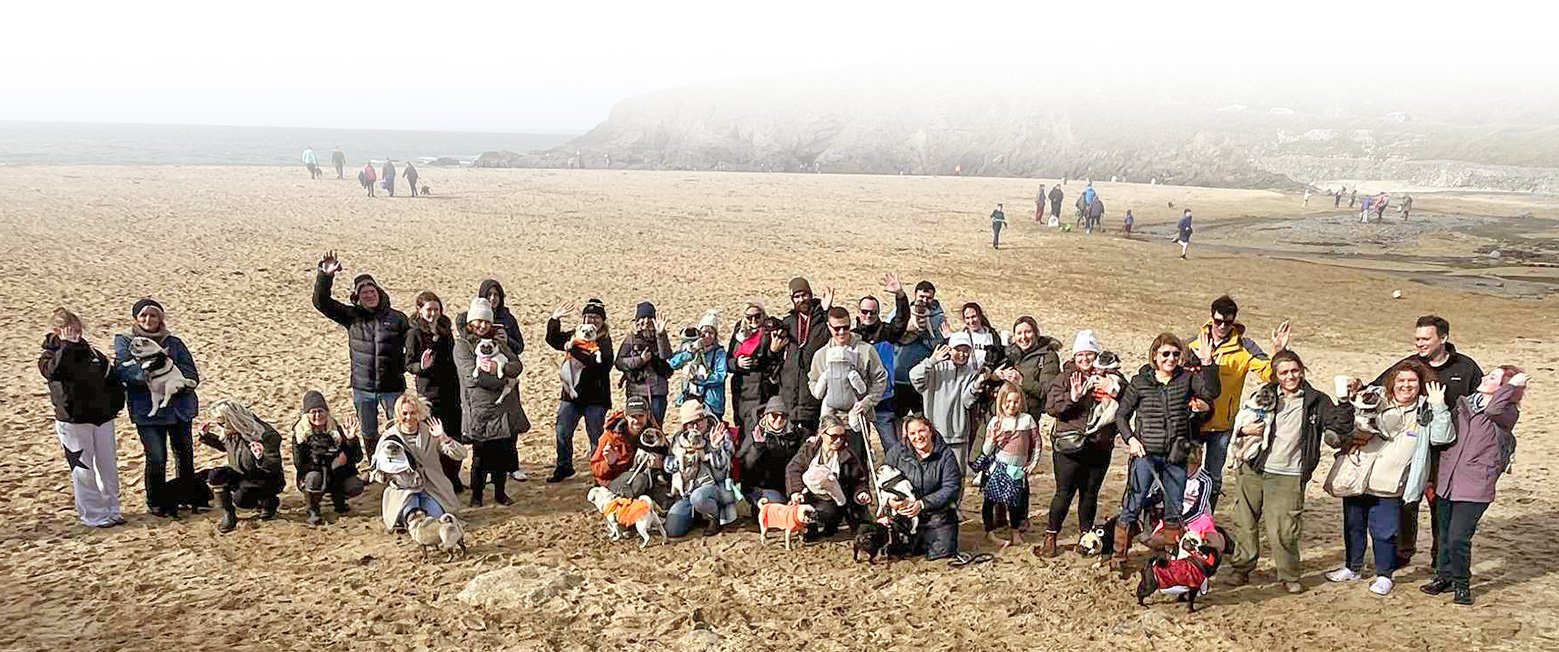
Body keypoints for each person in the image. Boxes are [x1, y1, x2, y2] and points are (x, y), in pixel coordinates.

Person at [1224, 350, 1354, 592]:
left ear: (1302, 371)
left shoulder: (1317, 401)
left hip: (1289, 474)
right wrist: (1243, 431)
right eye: (1284, 372)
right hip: (1253, 467)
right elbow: (1238, 423)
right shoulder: (1264, 394)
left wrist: (1345, 402)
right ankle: (1241, 568)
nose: (1290, 376)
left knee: (1285, 529)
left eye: (1294, 371)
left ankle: (1289, 575)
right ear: (1276, 375)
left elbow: (1338, 426)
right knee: (1244, 522)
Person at [1325, 360, 1451, 596]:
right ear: (1392, 382)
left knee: (1385, 531)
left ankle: (1384, 575)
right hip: (1358, 474)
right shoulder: (1375, 399)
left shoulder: (1426, 410)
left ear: (1420, 384)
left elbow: (1442, 438)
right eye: (1401, 380)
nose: (1406, 386)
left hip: (1391, 484)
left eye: (1412, 381)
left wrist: (1440, 407)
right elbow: (1346, 422)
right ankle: (1352, 567)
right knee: (1353, 525)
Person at [1372, 315, 1482, 572]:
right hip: (1411, 447)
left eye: (1425, 339)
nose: (1419, 343)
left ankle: (1439, 557)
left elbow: (1481, 406)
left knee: (1440, 505)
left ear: (1443, 338)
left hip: (1448, 450)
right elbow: (1378, 387)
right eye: (1417, 338)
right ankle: (1403, 551)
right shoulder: (1409, 365)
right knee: (1405, 500)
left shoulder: (1466, 368)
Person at [1111, 332, 1220, 571]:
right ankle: (1118, 556)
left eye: (1175, 354)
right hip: (1145, 454)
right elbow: (1121, 416)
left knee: (1174, 507)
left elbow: (1212, 394)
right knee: (1133, 503)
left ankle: (1171, 556)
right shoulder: (1140, 383)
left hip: (1175, 455)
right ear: (1155, 356)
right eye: (1165, 354)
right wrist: (1131, 440)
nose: (1170, 358)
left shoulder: (1188, 379)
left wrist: (1208, 364)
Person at [1423, 366, 1527, 605]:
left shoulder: (1506, 412)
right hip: (1448, 480)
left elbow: (1492, 409)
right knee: (1444, 534)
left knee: (1459, 537)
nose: (1483, 378)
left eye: (1492, 378)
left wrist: (1512, 387)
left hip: (1475, 484)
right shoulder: (1464, 404)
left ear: (1504, 389)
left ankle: (1462, 584)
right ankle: (1443, 576)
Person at [1188, 295, 1291, 508]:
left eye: (1228, 322)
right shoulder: (1194, 344)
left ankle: (1207, 518)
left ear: (1234, 320)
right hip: (1193, 422)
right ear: (1211, 317)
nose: (1223, 326)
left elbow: (1269, 375)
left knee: (1213, 478)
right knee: (1188, 475)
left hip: (1223, 425)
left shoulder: (1245, 347)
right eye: (1218, 321)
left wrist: (1279, 351)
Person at [312, 250, 411, 454]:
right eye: (364, 293)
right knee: (368, 431)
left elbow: (413, 345)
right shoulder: (352, 317)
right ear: (358, 298)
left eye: (372, 291)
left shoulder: (397, 318)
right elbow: (321, 302)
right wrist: (325, 275)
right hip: (363, 387)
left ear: (379, 293)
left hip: (392, 386)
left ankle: (400, 464)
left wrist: (403, 366)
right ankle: (375, 464)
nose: (369, 295)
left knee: (400, 428)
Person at [1038, 330, 1124, 557]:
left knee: (1090, 494)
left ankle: (1085, 535)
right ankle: (1051, 535)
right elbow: (1051, 408)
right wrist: (1073, 398)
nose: (1085, 360)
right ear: (1074, 358)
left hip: (1099, 447)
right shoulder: (1065, 377)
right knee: (1064, 493)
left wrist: (1113, 389)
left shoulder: (1110, 376)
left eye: (1089, 354)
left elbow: (1125, 402)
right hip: (1069, 446)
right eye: (1080, 356)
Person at [114, 298, 201, 518]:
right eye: (143, 315)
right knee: (157, 456)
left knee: (184, 454)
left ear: (160, 318)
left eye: (153, 315)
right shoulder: (126, 342)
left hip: (179, 406)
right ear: (136, 318)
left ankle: (185, 495)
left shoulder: (174, 342)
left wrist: (178, 383)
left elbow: (190, 372)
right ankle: (156, 500)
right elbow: (126, 373)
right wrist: (158, 375)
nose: (148, 319)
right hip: (148, 410)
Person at [40, 308, 126, 528]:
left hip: (102, 418)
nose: (75, 334)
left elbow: (111, 379)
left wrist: (114, 405)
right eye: (69, 330)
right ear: (57, 331)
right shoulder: (50, 356)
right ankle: (93, 514)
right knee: (83, 469)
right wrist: (67, 346)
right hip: (73, 421)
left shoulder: (93, 354)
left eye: (77, 330)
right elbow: (55, 372)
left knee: (107, 466)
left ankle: (112, 509)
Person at [453, 297, 528, 506]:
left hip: (503, 407)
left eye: (486, 321)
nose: (482, 325)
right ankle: (476, 496)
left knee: (503, 454)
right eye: (478, 321)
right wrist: (503, 377)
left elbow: (517, 365)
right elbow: (471, 378)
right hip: (479, 408)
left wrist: (502, 370)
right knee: (479, 457)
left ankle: (500, 493)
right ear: (470, 322)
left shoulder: (499, 341)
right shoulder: (462, 346)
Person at [371, 393, 466, 531]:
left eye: (413, 413)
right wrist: (387, 475)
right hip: (404, 489)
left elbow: (460, 454)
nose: (409, 417)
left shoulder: (430, 431)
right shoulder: (389, 436)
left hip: (432, 487)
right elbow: (377, 469)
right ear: (398, 413)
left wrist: (443, 438)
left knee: (434, 520)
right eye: (404, 413)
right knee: (412, 516)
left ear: (419, 413)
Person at [545, 299, 615, 483]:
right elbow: (552, 340)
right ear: (583, 319)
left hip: (596, 398)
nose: (592, 320)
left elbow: (601, 365)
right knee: (562, 431)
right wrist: (554, 319)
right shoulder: (576, 334)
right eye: (588, 316)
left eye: (596, 317)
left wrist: (573, 349)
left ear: (602, 321)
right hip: (571, 396)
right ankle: (564, 466)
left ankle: (598, 471)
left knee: (595, 436)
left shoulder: (604, 341)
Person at [405, 291, 465, 492]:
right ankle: (439, 478)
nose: (433, 313)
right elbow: (409, 364)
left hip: (452, 389)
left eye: (436, 309)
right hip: (429, 392)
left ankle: (453, 476)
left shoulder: (445, 329)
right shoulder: (414, 333)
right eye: (429, 309)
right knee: (434, 437)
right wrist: (421, 366)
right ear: (419, 310)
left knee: (454, 435)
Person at [197, 399, 285, 533]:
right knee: (216, 475)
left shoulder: (266, 435)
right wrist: (206, 436)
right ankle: (228, 514)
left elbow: (273, 466)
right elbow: (225, 447)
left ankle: (269, 500)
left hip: (263, 477)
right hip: (240, 472)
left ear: (233, 419)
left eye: (222, 422)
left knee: (241, 499)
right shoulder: (231, 432)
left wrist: (260, 458)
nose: (221, 427)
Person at [885, 416, 963, 560]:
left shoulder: (946, 455)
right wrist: (891, 502)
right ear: (907, 435)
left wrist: (923, 504)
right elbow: (884, 482)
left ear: (930, 431)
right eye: (912, 433)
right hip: (904, 513)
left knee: (942, 553)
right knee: (897, 552)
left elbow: (951, 488)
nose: (918, 437)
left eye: (921, 431)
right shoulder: (896, 453)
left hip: (937, 512)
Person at [808, 306, 888, 445]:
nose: (841, 332)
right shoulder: (821, 354)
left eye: (845, 327)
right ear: (829, 326)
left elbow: (880, 379)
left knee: (857, 463)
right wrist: (818, 392)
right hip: (830, 423)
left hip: (857, 421)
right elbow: (813, 380)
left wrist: (867, 402)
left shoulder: (866, 350)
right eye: (836, 328)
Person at [973, 383, 1040, 548]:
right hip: (998, 467)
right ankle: (990, 532)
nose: (1011, 405)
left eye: (1015, 402)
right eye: (1008, 402)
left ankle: (1015, 532)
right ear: (1000, 402)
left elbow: (1037, 443)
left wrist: (1033, 463)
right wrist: (993, 438)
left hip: (1017, 468)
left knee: (1014, 502)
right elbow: (986, 450)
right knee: (990, 501)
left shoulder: (1027, 420)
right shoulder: (996, 422)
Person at [785, 415, 871, 540]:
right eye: (834, 436)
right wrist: (796, 491)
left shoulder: (848, 455)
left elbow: (859, 479)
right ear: (822, 434)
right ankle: (810, 525)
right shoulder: (809, 449)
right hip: (809, 495)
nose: (838, 440)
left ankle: (829, 523)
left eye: (842, 436)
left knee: (829, 512)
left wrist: (861, 492)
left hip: (835, 500)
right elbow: (793, 469)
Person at [852, 274, 911, 449]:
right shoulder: (853, 336)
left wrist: (900, 295)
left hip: (883, 398)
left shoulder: (887, 332)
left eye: (873, 312)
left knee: (892, 445)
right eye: (864, 311)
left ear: (878, 313)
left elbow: (901, 320)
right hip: (858, 399)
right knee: (859, 446)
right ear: (858, 312)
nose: (868, 315)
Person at [909, 332, 983, 471]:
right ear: (950, 349)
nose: (962, 354)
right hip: (935, 437)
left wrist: (978, 383)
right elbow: (914, 376)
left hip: (959, 438)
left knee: (957, 478)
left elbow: (968, 401)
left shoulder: (971, 373)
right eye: (958, 349)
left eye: (966, 350)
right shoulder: (935, 369)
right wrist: (931, 361)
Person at [289, 390, 366, 525]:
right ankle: (312, 509)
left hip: (338, 474)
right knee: (314, 478)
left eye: (321, 411)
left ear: (327, 412)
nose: (318, 415)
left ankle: (339, 500)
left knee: (355, 485)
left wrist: (351, 440)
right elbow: (299, 463)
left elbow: (358, 457)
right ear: (307, 414)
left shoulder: (336, 429)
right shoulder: (300, 434)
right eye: (313, 412)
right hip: (314, 473)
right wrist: (323, 461)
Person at [664, 402, 739, 537]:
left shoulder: (719, 433)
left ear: (705, 417)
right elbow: (668, 464)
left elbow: (722, 470)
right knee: (673, 530)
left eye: (699, 421)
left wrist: (715, 447)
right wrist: (680, 460)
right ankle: (696, 515)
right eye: (690, 423)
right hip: (687, 489)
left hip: (714, 487)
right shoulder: (679, 438)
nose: (695, 426)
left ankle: (714, 517)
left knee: (698, 497)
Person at [591, 396, 671, 505]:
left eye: (641, 416)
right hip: (617, 481)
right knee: (640, 480)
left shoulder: (655, 434)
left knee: (667, 502)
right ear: (626, 416)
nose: (637, 421)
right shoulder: (611, 437)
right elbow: (596, 470)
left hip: (650, 480)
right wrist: (609, 463)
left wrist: (660, 464)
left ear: (647, 415)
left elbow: (669, 458)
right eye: (633, 416)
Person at [779, 277, 832, 434]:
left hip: (814, 392)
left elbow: (835, 333)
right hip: (790, 395)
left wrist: (826, 311)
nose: (801, 299)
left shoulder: (822, 319)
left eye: (804, 295)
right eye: (797, 296)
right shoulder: (788, 322)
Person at [891, 284, 945, 422]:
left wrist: (924, 335)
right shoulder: (901, 311)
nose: (925, 301)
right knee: (896, 420)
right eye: (922, 296)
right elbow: (887, 334)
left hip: (922, 380)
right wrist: (905, 329)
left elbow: (939, 345)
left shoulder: (939, 318)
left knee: (923, 420)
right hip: (899, 378)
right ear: (915, 295)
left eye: (929, 298)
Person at [738, 397, 804, 506]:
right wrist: (758, 447)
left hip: (785, 486)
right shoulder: (756, 434)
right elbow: (746, 466)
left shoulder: (795, 435)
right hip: (760, 487)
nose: (778, 420)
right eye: (774, 415)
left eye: (782, 416)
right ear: (766, 415)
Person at [618, 301, 674, 424]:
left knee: (655, 425)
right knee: (635, 426)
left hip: (657, 392)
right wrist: (640, 360)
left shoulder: (661, 336)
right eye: (642, 319)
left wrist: (660, 334)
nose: (645, 323)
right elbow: (619, 362)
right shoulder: (631, 339)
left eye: (649, 319)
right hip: (635, 391)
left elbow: (666, 356)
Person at [726, 301, 776, 439]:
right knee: (740, 428)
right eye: (749, 317)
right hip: (740, 390)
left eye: (757, 316)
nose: (753, 320)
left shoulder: (768, 332)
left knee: (754, 429)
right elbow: (728, 361)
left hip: (759, 389)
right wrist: (737, 363)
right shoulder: (739, 332)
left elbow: (772, 360)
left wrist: (757, 362)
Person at [669, 310, 730, 419]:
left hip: (711, 402)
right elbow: (673, 363)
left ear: (716, 336)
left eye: (711, 333)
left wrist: (700, 380)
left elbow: (721, 376)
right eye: (704, 332)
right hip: (690, 398)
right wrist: (691, 351)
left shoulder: (719, 353)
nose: (707, 336)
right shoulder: (690, 348)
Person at [1003, 316, 1061, 425]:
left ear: (1036, 333)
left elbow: (1048, 390)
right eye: (1019, 333)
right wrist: (997, 375)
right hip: (1001, 413)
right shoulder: (1008, 353)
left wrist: (1021, 381)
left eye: (1028, 332)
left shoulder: (1048, 356)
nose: (1023, 337)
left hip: (1026, 417)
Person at [956, 302, 1006, 371]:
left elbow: (998, 357)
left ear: (980, 316)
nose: (971, 321)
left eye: (974, 316)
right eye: (967, 318)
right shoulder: (961, 337)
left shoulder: (992, 336)